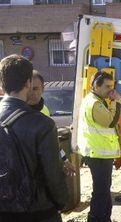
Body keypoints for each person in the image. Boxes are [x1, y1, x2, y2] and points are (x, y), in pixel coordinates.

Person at [0, 54, 68, 222]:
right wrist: (62, 202)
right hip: (38, 211)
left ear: (1, 83)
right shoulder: (43, 124)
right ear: (28, 83)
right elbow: (53, 175)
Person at [77, 71, 121, 222]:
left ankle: (104, 218)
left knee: (103, 190)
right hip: (98, 154)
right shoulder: (94, 103)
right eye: (107, 86)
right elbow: (110, 122)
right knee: (101, 192)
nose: (111, 89)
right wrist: (117, 102)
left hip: (100, 154)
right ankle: (96, 218)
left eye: (112, 86)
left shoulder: (95, 100)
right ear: (96, 86)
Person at [27, 70, 76, 177]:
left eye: (36, 89)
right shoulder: (19, 112)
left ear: (42, 89)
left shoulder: (44, 110)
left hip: (45, 167)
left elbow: (53, 140)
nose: (32, 93)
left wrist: (65, 160)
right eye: (29, 89)